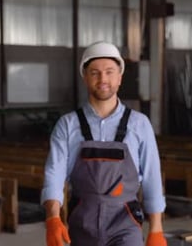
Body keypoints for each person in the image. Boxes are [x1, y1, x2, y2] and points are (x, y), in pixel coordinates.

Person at [41, 42, 167, 246]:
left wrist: (156, 229)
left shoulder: (139, 124)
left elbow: (152, 177)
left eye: (109, 72)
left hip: (125, 222)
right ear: (85, 77)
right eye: (95, 73)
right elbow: (54, 174)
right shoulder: (67, 125)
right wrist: (53, 218)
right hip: (82, 222)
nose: (103, 79)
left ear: (120, 77)